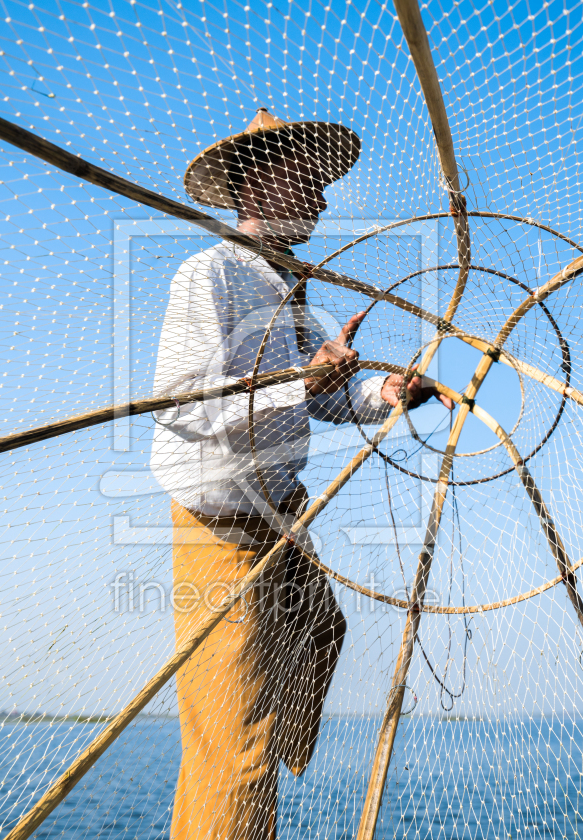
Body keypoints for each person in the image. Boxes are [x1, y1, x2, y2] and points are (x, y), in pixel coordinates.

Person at [151, 108, 451, 840]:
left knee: (321, 631)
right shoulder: (210, 273)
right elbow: (185, 401)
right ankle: (236, 764)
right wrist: (301, 378)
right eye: (306, 178)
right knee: (239, 749)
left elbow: (324, 397)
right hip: (219, 528)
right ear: (256, 184)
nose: (320, 195)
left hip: (279, 520)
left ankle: (232, 747)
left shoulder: (289, 282)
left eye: (321, 180)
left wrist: (381, 395)